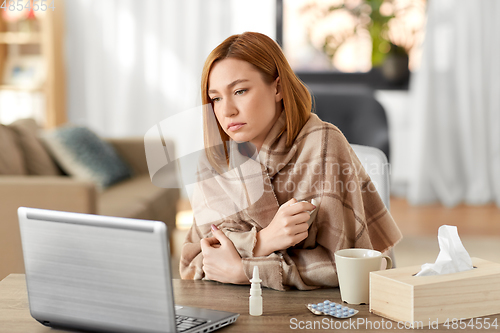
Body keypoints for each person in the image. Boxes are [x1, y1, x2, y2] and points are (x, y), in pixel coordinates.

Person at [180, 31, 402, 291]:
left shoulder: (323, 145)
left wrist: (247, 270)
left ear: (277, 87)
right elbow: (195, 261)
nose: (227, 110)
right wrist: (263, 241)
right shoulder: (214, 162)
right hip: (235, 308)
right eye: (216, 98)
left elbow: (348, 265)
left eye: (240, 91)